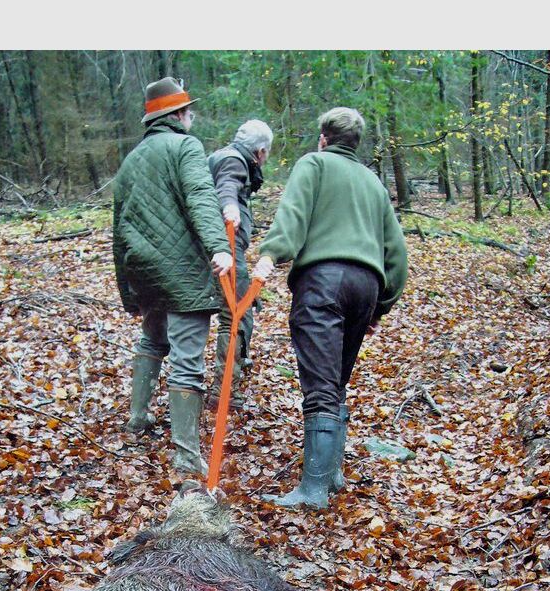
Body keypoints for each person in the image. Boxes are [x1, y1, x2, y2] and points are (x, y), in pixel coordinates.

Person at [253, 107, 408, 510]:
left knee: (320, 386)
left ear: (324, 137)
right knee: (336, 381)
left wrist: (271, 255)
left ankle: (312, 491)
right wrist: (380, 306)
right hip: (366, 287)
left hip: (322, 283)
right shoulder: (373, 183)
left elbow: (293, 217)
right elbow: (398, 257)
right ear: (355, 143)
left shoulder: (314, 165)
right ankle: (332, 474)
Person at [112, 77, 233, 475]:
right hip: (182, 272)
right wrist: (219, 246)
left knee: (152, 338)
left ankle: (138, 418)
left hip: (144, 269)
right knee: (186, 361)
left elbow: (119, 226)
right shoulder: (186, 146)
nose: (191, 115)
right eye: (188, 110)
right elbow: (200, 195)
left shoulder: (131, 159)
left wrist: (127, 289)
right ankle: (185, 457)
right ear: (178, 115)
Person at [206, 119, 273, 410]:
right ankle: (224, 391)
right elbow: (227, 187)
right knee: (235, 315)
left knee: (237, 311)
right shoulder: (234, 162)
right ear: (260, 152)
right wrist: (230, 207)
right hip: (226, 251)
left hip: (220, 250)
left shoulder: (223, 156)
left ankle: (231, 375)